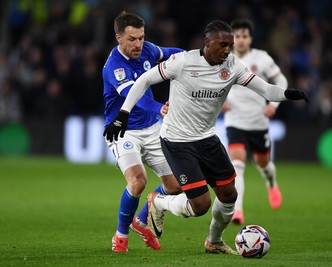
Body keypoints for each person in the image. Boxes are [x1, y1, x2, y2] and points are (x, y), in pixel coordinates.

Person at [104, 20, 308, 254]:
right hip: (177, 140)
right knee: (199, 204)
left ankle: (214, 240)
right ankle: (150, 209)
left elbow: (265, 89)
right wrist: (123, 113)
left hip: (206, 138)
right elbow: (144, 81)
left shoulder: (232, 65)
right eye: (223, 44)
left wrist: (287, 94)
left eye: (230, 45)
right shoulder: (181, 63)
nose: (228, 50)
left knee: (229, 194)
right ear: (207, 43)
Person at [102, 11, 183, 252]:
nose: (138, 44)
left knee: (176, 184)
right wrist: (161, 108)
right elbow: (134, 97)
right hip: (123, 130)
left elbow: (171, 53)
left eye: (141, 37)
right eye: (132, 39)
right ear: (119, 38)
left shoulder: (147, 49)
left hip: (152, 129)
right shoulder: (114, 67)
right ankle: (121, 235)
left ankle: (142, 218)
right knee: (138, 181)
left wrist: (196, 56)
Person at [221, 19, 288, 225]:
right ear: (232, 39)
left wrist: (274, 105)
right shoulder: (225, 59)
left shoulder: (262, 58)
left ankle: (272, 184)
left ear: (250, 38)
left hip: (258, 121)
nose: (241, 40)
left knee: (263, 164)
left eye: (244, 36)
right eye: (237, 36)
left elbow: (282, 81)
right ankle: (237, 210)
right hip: (235, 121)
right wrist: (219, 102)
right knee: (237, 165)